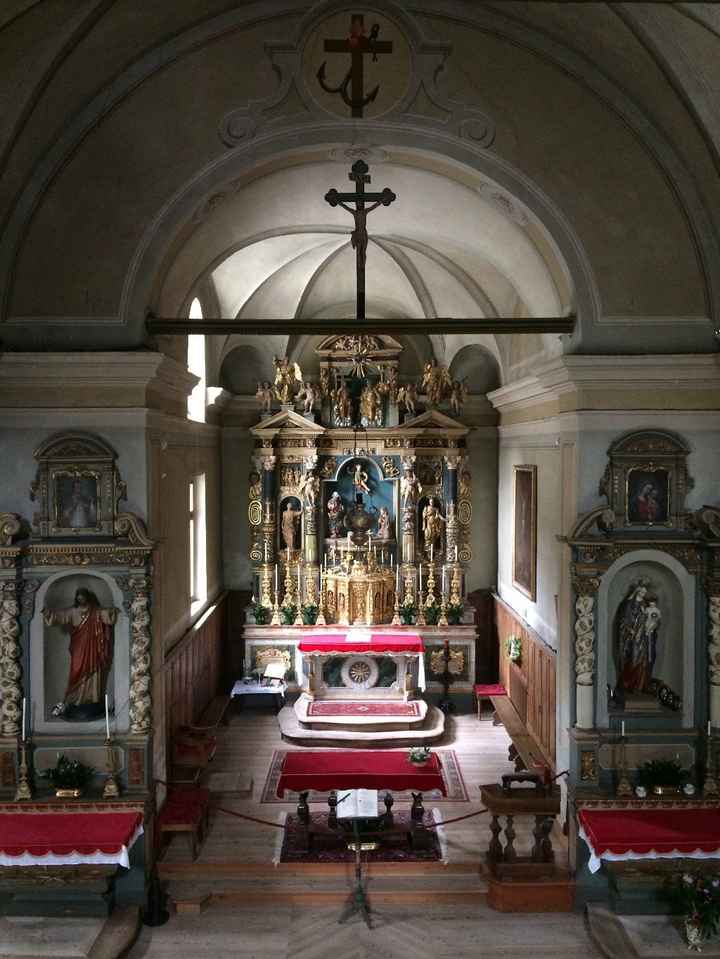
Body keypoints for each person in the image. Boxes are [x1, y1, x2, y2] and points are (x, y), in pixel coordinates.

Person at [43, 587, 117, 720]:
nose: (80, 599)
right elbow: (60, 616)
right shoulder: (73, 611)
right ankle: (76, 699)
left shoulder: (96, 611)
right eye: (78, 597)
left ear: (87, 597)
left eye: (83, 597)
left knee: (94, 671)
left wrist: (111, 611)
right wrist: (49, 613)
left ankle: (92, 699)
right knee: (76, 670)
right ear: (76, 598)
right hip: (78, 648)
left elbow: (106, 615)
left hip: (93, 649)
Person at [615, 580, 661, 694]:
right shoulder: (629, 604)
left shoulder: (646, 605)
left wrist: (654, 625)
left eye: (645, 590)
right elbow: (623, 620)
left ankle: (639, 687)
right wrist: (629, 630)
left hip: (645, 638)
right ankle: (627, 685)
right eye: (642, 589)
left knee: (644, 662)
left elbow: (654, 619)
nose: (644, 592)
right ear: (637, 590)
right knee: (633, 660)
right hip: (633, 638)